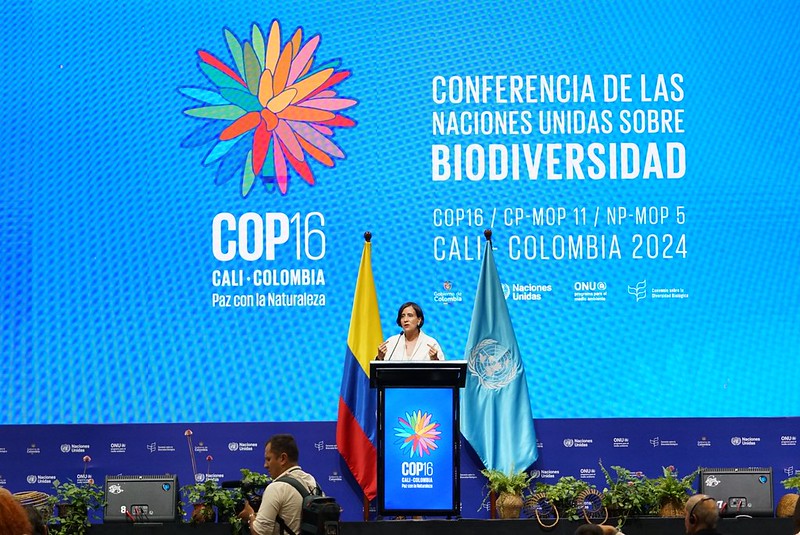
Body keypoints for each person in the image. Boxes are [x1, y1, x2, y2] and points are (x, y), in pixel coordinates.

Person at [238, 434, 319, 535]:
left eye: (268, 459)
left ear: (283, 459)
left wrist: (250, 515)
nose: (265, 465)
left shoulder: (276, 488)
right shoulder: (311, 481)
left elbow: (259, 533)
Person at [375, 302, 446, 361]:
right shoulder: (391, 343)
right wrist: (380, 358)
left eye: (410, 315)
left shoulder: (431, 343)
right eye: (402, 316)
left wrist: (435, 360)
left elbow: (443, 373)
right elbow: (378, 372)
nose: (405, 319)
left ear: (419, 320)